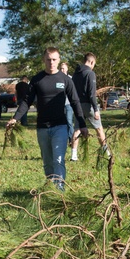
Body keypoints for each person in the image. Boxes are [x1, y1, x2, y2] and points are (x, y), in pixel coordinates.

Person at [7, 47, 87, 190]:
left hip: (60, 127)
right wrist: (15, 118)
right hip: (42, 128)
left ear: (59, 60)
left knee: (58, 160)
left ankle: (59, 190)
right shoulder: (37, 80)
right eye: (48, 59)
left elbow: (75, 102)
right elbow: (26, 101)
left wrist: (82, 124)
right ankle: (50, 188)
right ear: (44, 60)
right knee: (48, 162)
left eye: (54, 59)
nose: (51, 62)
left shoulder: (65, 80)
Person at [70, 52, 111, 161]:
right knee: (99, 129)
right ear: (91, 62)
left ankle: (73, 155)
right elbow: (92, 93)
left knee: (77, 129)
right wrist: (96, 109)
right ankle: (106, 153)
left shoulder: (75, 74)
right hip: (88, 105)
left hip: (77, 105)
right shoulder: (90, 73)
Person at [58, 61, 75, 153]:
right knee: (61, 124)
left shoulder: (70, 79)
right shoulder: (57, 78)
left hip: (68, 104)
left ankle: (71, 141)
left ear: (67, 69)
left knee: (69, 122)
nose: (62, 70)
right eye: (61, 68)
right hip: (59, 105)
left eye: (64, 68)